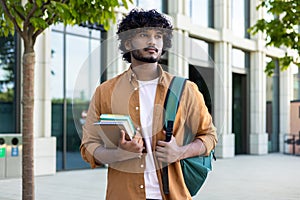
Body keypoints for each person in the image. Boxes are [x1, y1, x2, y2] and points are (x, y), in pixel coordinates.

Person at [80, 9, 218, 200]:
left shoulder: (185, 89)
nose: (153, 41)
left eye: (158, 36)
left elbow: (209, 136)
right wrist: (119, 155)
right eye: (144, 34)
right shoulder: (105, 91)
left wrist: (179, 152)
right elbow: (88, 147)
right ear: (128, 42)